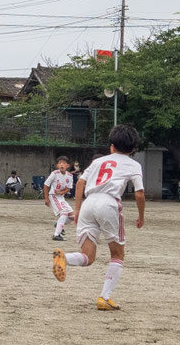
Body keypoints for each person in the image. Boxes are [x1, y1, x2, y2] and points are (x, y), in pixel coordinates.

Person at [51, 124, 145, 311]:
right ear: (134, 149)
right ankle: (104, 297)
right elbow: (139, 193)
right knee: (117, 254)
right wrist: (141, 216)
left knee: (88, 256)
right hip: (109, 203)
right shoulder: (134, 164)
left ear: (111, 146)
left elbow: (80, 185)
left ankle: (64, 258)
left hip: (88, 203)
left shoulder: (97, 162)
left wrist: (77, 210)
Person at [46, 157, 76, 241]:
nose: (62, 165)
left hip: (61, 197)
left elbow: (69, 188)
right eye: (60, 163)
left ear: (68, 166)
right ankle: (56, 234)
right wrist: (46, 199)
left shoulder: (70, 176)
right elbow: (46, 185)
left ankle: (58, 223)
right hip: (53, 196)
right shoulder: (54, 174)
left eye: (64, 163)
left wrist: (61, 193)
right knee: (64, 212)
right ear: (57, 165)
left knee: (73, 216)